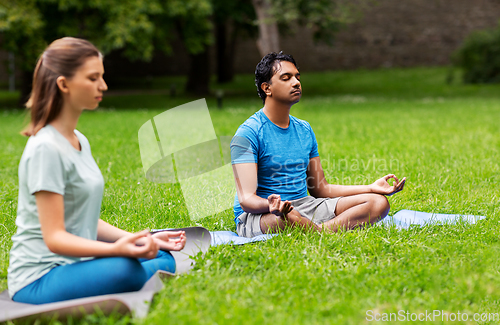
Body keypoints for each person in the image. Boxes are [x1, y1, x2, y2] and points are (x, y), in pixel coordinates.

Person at [7, 37, 186, 304]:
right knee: (126, 268)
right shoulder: (45, 148)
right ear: (63, 84)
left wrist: (142, 239)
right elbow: (54, 237)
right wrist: (115, 250)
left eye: (101, 76)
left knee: (161, 255)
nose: (103, 85)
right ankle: (136, 269)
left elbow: (84, 220)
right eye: (93, 78)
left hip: (77, 264)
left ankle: (143, 261)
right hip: (39, 278)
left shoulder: (79, 139)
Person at [230, 52, 406, 238]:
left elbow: (321, 189)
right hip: (261, 214)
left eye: (297, 77)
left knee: (378, 203)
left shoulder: (304, 129)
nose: (296, 82)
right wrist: (272, 205)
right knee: (285, 219)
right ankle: (320, 230)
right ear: (267, 88)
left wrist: (371, 187)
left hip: (304, 205)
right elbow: (247, 200)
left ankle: (318, 231)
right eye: (286, 78)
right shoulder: (247, 134)